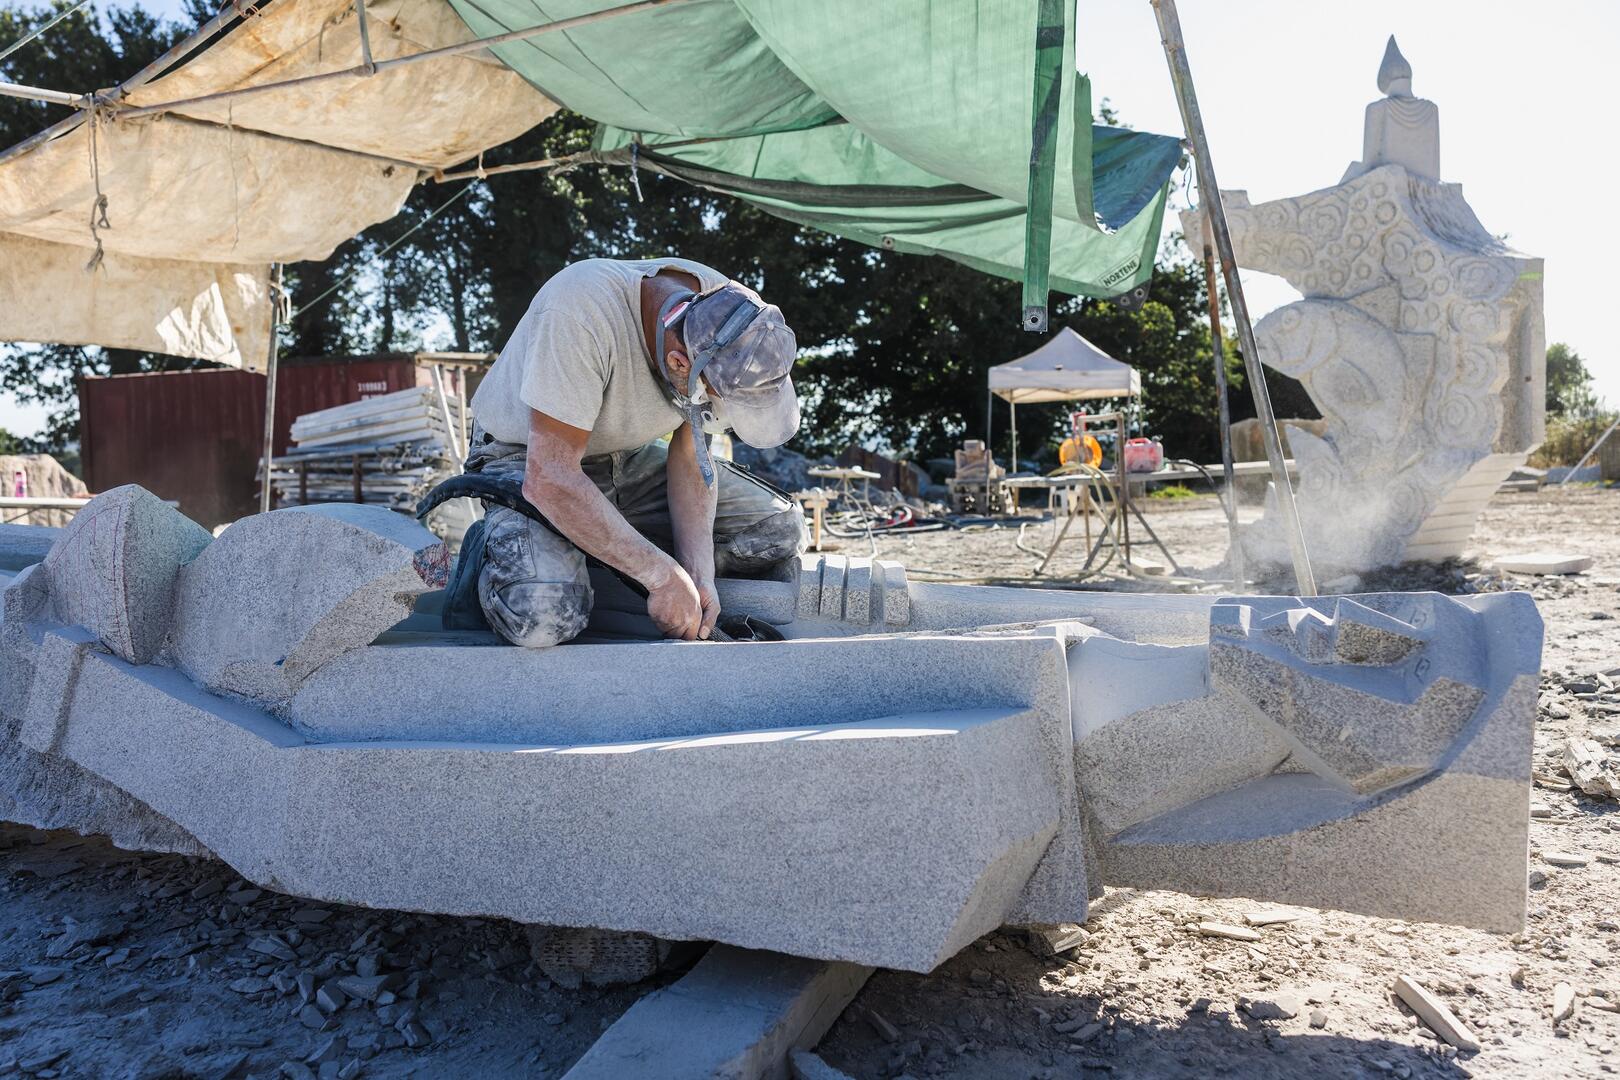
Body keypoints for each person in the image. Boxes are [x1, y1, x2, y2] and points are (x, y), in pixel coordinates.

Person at [461, 257, 807, 647]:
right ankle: (499, 559)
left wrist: (696, 571)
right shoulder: (579, 312)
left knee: (778, 530)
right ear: (679, 363)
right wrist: (659, 576)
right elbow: (552, 477)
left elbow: (692, 456)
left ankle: (596, 549)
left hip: (629, 459)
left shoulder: (730, 311)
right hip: (529, 460)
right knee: (542, 616)